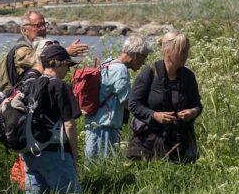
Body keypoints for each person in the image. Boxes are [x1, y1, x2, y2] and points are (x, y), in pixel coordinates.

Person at [20, 44, 82, 194]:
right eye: (67, 65)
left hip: (29, 153)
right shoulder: (60, 86)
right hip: (55, 153)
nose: (68, 70)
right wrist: (75, 154)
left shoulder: (29, 84)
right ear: (58, 63)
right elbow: (69, 125)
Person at [127, 31, 202, 163]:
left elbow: (197, 105)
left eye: (187, 50)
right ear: (168, 51)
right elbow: (133, 104)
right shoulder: (149, 72)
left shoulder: (188, 76)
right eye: (182, 51)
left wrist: (192, 112)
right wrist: (154, 115)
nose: (186, 55)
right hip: (147, 145)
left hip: (179, 145)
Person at [84, 36, 152, 160]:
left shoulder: (107, 63)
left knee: (92, 162)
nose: (144, 62)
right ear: (135, 55)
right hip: (106, 126)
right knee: (104, 165)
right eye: (144, 57)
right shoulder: (120, 70)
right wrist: (149, 115)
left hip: (94, 123)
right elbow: (127, 101)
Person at [0, 9, 89, 93]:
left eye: (44, 24)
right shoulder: (21, 50)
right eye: (38, 25)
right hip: (11, 102)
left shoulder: (36, 46)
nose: (43, 28)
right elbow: (42, 61)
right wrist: (65, 52)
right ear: (24, 30)